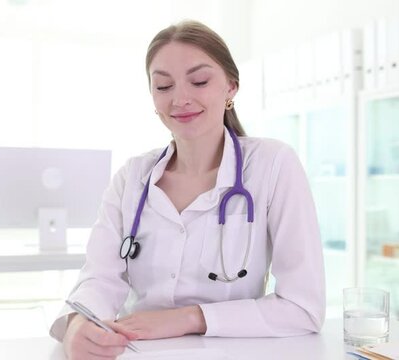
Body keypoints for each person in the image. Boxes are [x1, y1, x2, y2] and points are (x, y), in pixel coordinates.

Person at [49, 20, 325, 360]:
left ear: (231, 87)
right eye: (163, 86)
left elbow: (303, 308)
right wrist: (78, 323)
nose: (180, 99)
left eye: (199, 81)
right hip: (140, 352)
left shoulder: (273, 165)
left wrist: (189, 318)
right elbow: (100, 278)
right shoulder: (132, 177)